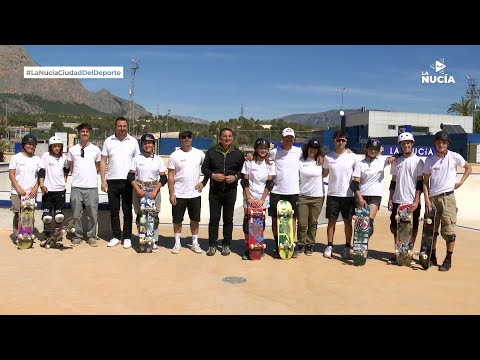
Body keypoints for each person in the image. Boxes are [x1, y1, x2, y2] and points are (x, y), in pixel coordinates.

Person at [423, 130, 472, 272]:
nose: (441, 145)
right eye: (438, 142)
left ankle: (448, 259)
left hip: (448, 198)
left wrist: (461, 182)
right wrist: (426, 199)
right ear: (434, 143)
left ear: (448, 144)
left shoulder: (454, 157)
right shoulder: (429, 160)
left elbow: (468, 167)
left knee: (449, 232)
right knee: (431, 231)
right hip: (432, 199)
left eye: (444, 142)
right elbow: (425, 182)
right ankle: (432, 256)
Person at [201, 127, 245, 256]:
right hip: (215, 191)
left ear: (232, 138)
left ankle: (226, 244)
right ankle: (212, 245)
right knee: (214, 219)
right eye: (224, 136)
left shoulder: (238, 153)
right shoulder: (212, 152)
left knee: (228, 219)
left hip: (230, 191)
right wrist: (213, 176)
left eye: (229, 136)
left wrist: (236, 177)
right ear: (220, 138)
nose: (227, 138)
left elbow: (243, 170)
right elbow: (204, 169)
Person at [99, 117, 140, 249]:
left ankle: (127, 237)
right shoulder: (108, 141)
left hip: (129, 181)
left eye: (124, 126)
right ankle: (116, 236)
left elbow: (137, 161)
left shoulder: (133, 141)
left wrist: (137, 181)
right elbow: (103, 161)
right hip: (112, 180)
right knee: (114, 211)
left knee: (128, 211)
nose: (122, 129)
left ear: (127, 127)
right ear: (115, 127)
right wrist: (103, 180)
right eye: (119, 126)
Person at [167, 130, 208, 254]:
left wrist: (203, 183)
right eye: (184, 137)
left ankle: (194, 243)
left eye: (189, 137)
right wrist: (171, 193)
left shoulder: (199, 154)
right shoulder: (174, 155)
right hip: (179, 194)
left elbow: (208, 169)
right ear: (180, 139)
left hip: (194, 194)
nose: (186, 139)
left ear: (191, 138)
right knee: (177, 220)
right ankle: (177, 242)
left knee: (195, 219)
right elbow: (170, 176)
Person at [388, 132, 424, 264]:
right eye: (403, 143)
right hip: (398, 199)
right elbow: (393, 181)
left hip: (412, 201)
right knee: (396, 228)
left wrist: (416, 201)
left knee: (412, 229)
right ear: (400, 145)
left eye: (408, 143)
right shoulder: (396, 161)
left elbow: (420, 183)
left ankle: (409, 253)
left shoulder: (418, 162)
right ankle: (398, 253)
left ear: (412, 144)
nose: (406, 145)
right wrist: (390, 198)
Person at [322, 130, 359, 259]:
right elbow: (324, 174)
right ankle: (330, 246)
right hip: (333, 194)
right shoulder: (328, 157)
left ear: (346, 142)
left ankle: (348, 246)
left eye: (343, 140)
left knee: (348, 222)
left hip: (348, 195)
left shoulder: (353, 157)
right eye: (338, 140)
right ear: (334, 141)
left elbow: (358, 175)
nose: (340, 142)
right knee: (331, 222)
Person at [266, 128, 303, 257]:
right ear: (282, 138)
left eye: (291, 138)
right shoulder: (274, 152)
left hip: (293, 191)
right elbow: (262, 157)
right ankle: (278, 245)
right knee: (276, 220)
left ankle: (290, 245)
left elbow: (313, 155)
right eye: (286, 137)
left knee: (292, 219)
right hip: (277, 191)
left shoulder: (299, 152)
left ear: (293, 138)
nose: (288, 140)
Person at [129, 133, 167, 253]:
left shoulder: (158, 160)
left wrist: (155, 191)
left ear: (153, 145)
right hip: (139, 187)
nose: (147, 145)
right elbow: (130, 176)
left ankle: (152, 240)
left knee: (153, 216)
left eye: (150, 143)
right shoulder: (136, 159)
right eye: (145, 143)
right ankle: (142, 239)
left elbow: (163, 178)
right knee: (141, 215)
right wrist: (137, 189)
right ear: (142, 145)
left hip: (153, 188)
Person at [67, 123, 101, 247]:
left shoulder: (96, 150)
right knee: (76, 214)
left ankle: (91, 236)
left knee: (92, 213)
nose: (85, 133)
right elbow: (71, 166)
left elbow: (97, 167)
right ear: (79, 133)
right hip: (76, 186)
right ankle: (77, 236)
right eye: (83, 131)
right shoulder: (72, 150)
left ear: (89, 133)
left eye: (87, 131)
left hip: (91, 186)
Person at [240, 137, 275, 260]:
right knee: (248, 223)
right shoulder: (249, 162)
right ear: (256, 149)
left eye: (265, 148)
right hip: (249, 196)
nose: (263, 150)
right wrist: (249, 198)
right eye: (260, 148)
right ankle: (248, 247)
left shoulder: (270, 163)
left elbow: (269, 184)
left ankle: (258, 246)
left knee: (259, 224)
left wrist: (261, 200)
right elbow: (244, 181)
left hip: (262, 197)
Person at [350, 138, 390, 241]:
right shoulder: (360, 164)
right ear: (366, 149)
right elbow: (355, 184)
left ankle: (363, 245)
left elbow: (398, 155)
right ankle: (358, 245)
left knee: (368, 223)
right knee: (361, 222)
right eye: (371, 149)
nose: (373, 151)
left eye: (375, 149)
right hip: (361, 196)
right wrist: (360, 198)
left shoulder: (381, 161)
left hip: (375, 196)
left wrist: (394, 157)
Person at [295, 138, 325, 257]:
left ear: (318, 150)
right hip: (302, 195)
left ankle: (310, 244)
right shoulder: (300, 161)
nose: (313, 150)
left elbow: (326, 172)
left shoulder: (321, 161)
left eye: (315, 148)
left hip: (317, 196)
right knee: (302, 223)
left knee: (313, 222)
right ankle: (301, 243)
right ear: (307, 148)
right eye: (311, 147)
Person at [8, 134, 41, 245]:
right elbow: (11, 175)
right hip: (17, 192)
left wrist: (35, 189)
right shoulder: (16, 158)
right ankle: (18, 235)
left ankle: (27, 234)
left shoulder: (37, 159)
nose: (31, 146)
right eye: (29, 144)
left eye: (33, 145)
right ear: (24, 145)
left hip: (31, 193)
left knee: (29, 215)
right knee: (18, 215)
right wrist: (18, 189)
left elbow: (40, 177)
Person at [38, 136, 70, 245]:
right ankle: (46, 236)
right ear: (50, 147)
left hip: (60, 190)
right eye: (54, 146)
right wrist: (41, 184)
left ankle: (57, 236)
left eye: (58, 146)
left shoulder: (64, 158)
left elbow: (67, 168)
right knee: (47, 217)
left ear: (61, 147)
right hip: (48, 190)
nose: (56, 148)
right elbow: (41, 171)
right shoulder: (46, 156)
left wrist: (65, 177)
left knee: (59, 217)